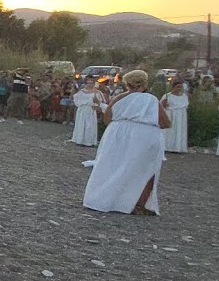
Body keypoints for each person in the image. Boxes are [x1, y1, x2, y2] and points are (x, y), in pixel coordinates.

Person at [83, 70, 170, 216]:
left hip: (117, 134)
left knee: (113, 166)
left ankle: (104, 198)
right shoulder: (151, 99)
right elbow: (165, 122)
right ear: (144, 83)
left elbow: (107, 118)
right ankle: (139, 204)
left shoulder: (119, 98)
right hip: (144, 136)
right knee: (146, 169)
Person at [71, 78, 106, 146]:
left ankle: (89, 141)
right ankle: (80, 140)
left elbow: (100, 101)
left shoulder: (97, 92)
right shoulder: (81, 91)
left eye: (91, 83)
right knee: (81, 124)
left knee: (90, 125)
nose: (90, 85)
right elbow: (76, 99)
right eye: (88, 83)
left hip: (91, 110)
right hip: (83, 110)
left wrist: (96, 106)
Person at [160, 82, 189, 153]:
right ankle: (167, 147)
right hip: (171, 115)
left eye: (181, 87)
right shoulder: (168, 95)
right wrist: (165, 104)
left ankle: (178, 147)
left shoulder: (184, 96)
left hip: (181, 116)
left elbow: (185, 105)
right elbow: (162, 106)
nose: (179, 89)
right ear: (173, 87)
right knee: (169, 131)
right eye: (177, 87)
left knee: (179, 130)